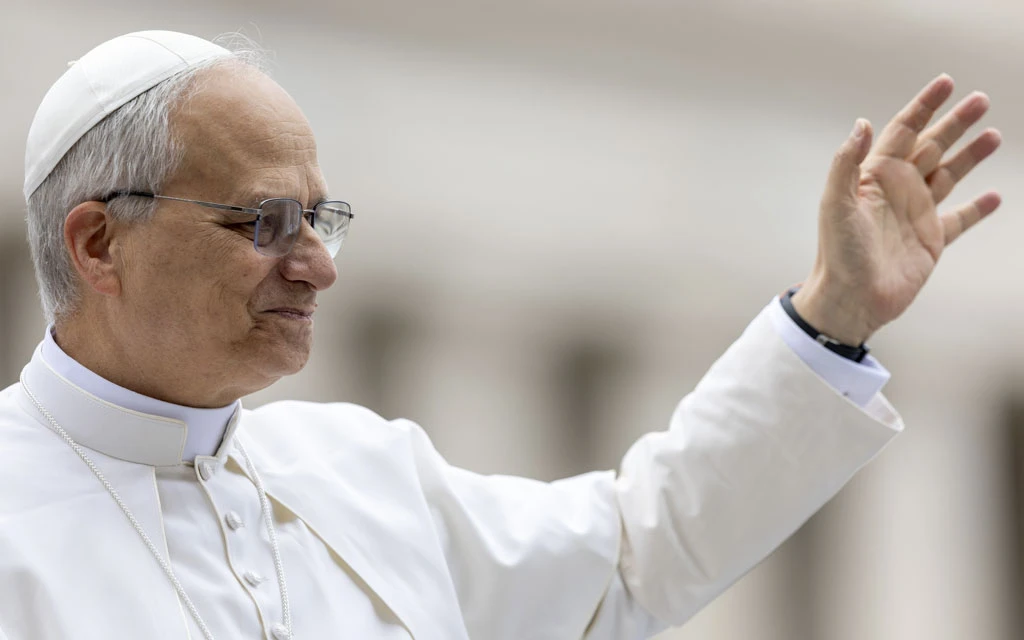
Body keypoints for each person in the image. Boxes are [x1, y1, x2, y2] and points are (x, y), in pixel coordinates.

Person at [0, 30, 1001, 640]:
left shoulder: (366, 475)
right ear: (99, 243)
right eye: (264, 223)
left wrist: (834, 313)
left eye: (320, 218)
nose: (318, 264)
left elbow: (635, 552)